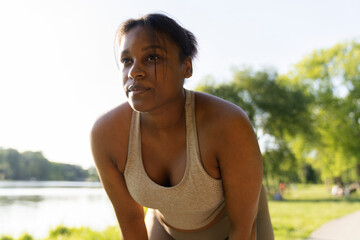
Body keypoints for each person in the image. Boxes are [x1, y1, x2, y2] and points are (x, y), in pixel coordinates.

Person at [91, 13, 274, 240]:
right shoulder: (106, 134)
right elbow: (130, 221)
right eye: (127, 60)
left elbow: (242, 231)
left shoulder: (227, 124)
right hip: (166, 230)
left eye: (152, 58)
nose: (134, 72)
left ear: (186, 67)